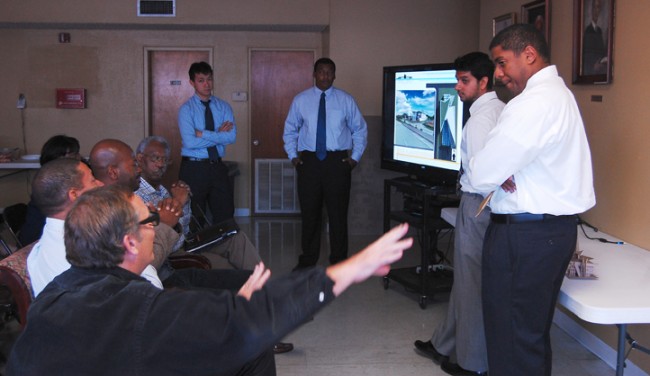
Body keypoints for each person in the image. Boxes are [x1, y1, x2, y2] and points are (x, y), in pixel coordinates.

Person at [7, 185, 412, 375]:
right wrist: (351, 268)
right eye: (151, 221)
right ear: (130, 242)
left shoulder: (56, 296)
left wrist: (234, 313)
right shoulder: (136, 309)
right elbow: (250, 322)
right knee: (247, 347)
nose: (158, 226)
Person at [465, 24, 596, 375]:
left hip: (524, 239)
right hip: (547, 234)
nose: (497, 73)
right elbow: (503, 168)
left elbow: (479, 174)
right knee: (527, 337)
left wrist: (495, 168)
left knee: (511, 340)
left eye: (502, 62)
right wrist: (502, 169)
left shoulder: (534, 104)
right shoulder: (559, 96)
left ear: (529, 55)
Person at [414, 52, 504, 376]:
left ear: (484, 82)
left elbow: (482, 176)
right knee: (464, 284)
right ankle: (444, 344)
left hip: (478, 205)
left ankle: (470, 363)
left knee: (471, 287)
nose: (457, 86)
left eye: (464, 80)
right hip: (486, 206)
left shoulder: (480, 118)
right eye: (457, 79)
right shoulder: (498, 109)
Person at [283, 57, 368, 269]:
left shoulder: (346, 100)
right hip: (309, 162)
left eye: (330, 72)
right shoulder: (301, 100)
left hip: (337, 162)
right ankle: (308, 259)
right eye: (321, 72)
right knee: (310, 214)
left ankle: (339, 260)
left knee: (338, 215)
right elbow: (290, 129)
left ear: (334, 75)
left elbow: (360, 129)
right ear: (314, 74)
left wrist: (354, 159)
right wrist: (293, 156)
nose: (325, 76)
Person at [135, 135, 261, 270]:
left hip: (186, 243)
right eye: (155, 158)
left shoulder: (163, 191)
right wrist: (178, 202)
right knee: (229, 266)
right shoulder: (136, 195)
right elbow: (165, 243)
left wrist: (185, 200)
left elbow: (186, 230)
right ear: (141, 159)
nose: (160, 165)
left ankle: (264, 285)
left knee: (236, 238)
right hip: (170, 255)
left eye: (165, 160)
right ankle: (257, 285)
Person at [178, 61, 236, 225]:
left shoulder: (223, 107)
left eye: (209, 79)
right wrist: (218, 134)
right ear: (192, 83)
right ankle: (198, 251)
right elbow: (190, 142)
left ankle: (223, 250)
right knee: (195, 216)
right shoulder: (186, 110)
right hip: (194, 168)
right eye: (201, 80)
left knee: (225, 213)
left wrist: (202, 133)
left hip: (217, 166)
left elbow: (231, 137)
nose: (207, 84)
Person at [18, 134, 82, 246]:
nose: (79, 159)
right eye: (73, 156)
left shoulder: (80, 174)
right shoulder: (48, 186)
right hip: (39, 241)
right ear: (56, 161)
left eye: (77, 154)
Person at [582, 0, 607, 75]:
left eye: (598, 7)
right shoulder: (588, 31)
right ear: (591, 9)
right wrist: (593, 66)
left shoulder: (599, 30)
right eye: (595, 7)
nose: (596, 11)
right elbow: (587, 55)